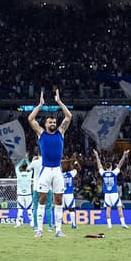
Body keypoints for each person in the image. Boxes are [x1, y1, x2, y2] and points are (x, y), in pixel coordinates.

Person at [28, 89, 73, 239]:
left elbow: (69, 116)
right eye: (50, 121)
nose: (53, 123)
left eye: (54, 121)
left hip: (57, 170)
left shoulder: (61, 132)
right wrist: (40, 105)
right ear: (45, 124)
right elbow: (30, 119)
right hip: (46, 170)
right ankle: (39, 230)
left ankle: (58, 230)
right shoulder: (41, 133)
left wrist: (59, 102)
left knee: (58, 200)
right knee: (42, 199)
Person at [95, 149, 129, 229]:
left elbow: (99, 165)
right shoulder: (114, 173)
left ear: (106, 167)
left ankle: (109, 225)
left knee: (108, 209)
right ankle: (123, 223)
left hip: (107, 194)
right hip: (114, 193)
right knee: (119, 208)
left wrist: (96, 155)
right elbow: (120, 164)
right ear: (111, 167)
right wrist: (124, 155)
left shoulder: (103, 173)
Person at [13, 156, 34, 228]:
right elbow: (31, 167)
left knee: (20, 209)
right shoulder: (29, 174)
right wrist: (27, 159)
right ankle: (32, 223)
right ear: (27, 168)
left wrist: (22, 160)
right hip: (28, 194)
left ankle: (18, 224)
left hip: (21, 194)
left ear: (21, 169)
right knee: (29, 210)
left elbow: (16, 167)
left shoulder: (19, 174)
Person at [61, 156, 80, 229]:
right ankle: (74, 224)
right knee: (71, 209)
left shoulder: (60, 174)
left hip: (61, 193)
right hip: (69, 193)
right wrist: (75, 162)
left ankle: (58, 224)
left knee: (59, 208)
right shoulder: (71, 173)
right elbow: (78, 169)